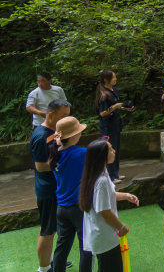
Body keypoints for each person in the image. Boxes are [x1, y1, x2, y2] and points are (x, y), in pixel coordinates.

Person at [79, 138, 140, 272]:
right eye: (111, 149)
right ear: (103, 156)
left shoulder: (100, 173)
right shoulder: (101, 181)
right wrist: (121, 227)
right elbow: (104, 211)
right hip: (105, 237)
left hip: (103, 235)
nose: (114, 151)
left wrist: (125, 196)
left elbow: (106, 197)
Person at [30, 99, 71, 272]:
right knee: (47, 231)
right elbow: (40, 165)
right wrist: (64, 161)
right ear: (51, 114)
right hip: (47, 190)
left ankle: (53, 260)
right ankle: (44, 268)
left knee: (53, 228)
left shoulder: (53, 131)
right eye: (63, 116)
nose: (66, 120)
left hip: (55, 187)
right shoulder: (41, 136)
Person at [49, 116, 92, 272]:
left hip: (62, 208)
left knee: (62, 246)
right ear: (73, 135)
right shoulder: (82, 153)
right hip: (78, 208)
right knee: (86, 247)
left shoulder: (54, 155)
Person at [96, 70, 134, 183]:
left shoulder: (114, 90)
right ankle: (110, 177)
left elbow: (117, 106)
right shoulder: (103, 94)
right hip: (107, 127)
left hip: (116, 125)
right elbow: (102, 113)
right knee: (109, 150)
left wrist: (125, 108)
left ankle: (116, 174)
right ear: (106, 80)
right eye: (113, 77)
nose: (115, 79)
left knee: (116, 150)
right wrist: (114, 107)